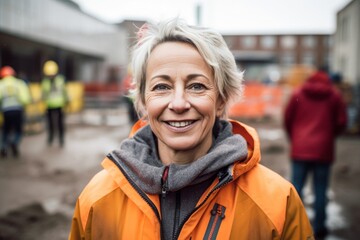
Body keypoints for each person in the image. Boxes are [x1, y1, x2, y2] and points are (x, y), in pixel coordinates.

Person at [69, 18, 314, 239]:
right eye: (161, 87)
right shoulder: (96, 200)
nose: (178, 104)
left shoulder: (277, 204)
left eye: (196, 86)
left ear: (220, 100)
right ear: (143, 102)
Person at [284, 68, 347, 238]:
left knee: (296, 190)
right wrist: (329, 136)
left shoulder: (299, 92)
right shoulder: (334, 95)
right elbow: (341, 121)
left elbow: (288, 118)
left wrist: (295, 138)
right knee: (321, 190)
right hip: (323, 150)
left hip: (300, 148)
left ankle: (291, 226)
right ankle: (319, 229)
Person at [0, 66, 31, 158]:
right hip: (17, 110)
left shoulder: (1, 84)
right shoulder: (19, 83)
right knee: (18, 130)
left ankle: (4, 148)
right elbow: (25, 99)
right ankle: (14, 142)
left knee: (5, 130)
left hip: (5, 111)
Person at [41, 60, 68, 147]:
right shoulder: (58, 80)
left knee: (59, 123)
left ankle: (60, 139)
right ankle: (52, 138)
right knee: (52, 124)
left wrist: (66, 101)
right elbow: (44, 94)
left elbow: (64, 92)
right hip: (51, 105)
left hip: (58, 105)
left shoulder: (57, 81)